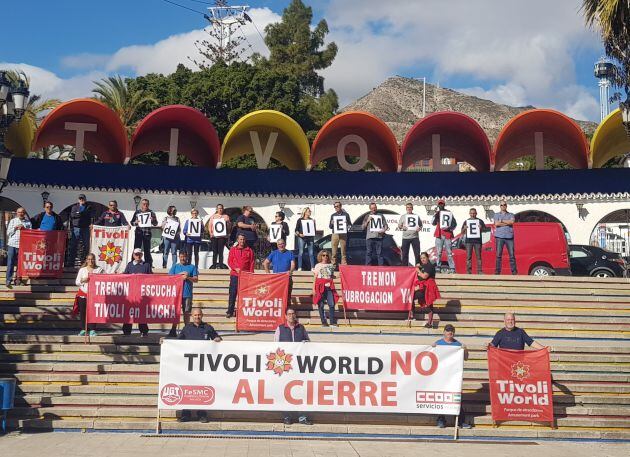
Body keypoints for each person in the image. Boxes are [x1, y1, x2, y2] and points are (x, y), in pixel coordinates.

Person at [176, 307, 222, 423]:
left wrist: (217, 339)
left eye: (199, 315)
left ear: (202, 315)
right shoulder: (187, 328)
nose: (197, 317)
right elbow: (177, 342)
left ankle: (202, 414)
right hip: (189, 366)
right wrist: (165, 342)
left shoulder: (208, 327)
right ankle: (186, 414)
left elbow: (218, 338)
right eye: (195, 315)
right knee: (187, 388)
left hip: (203, 366)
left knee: (202, 389)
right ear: (192, 316)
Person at [274, 307, 312, 426]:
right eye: (289, 314)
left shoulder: (301, 328)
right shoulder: (280, 329)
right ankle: (286, 416)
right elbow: (275, 347)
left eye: (293, 314)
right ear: (285, 316)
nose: (291, 316)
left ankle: (302, 417)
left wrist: (306, 344)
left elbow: (309, 343)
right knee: (285, 391)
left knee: (301, 391)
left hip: (299, 366)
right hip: (286, 367)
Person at [434, 324, 471, 429]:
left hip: (453, 377)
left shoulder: (458, 344)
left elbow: (466, 358)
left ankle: (460, 421)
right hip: (441, 376)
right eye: (448, 331)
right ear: (444, 332)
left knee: (456, 398)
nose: (450, 333)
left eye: (451, 332)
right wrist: (431, 348)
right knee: (441, 398)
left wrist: (465, 349)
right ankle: (441, 419)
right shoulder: (438, 343)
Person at [122, 248, 152, 337]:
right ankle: (127, 331)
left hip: (142, 294)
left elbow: (151, 278)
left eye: (139, 254)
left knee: (141, 313)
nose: (138, 256)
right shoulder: (130, 265)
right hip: (131, 293)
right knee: (129, 313)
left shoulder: (146, 265)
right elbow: (124, 276)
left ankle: (144, 331)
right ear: (133, 255)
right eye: (136, 254)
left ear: (142, 255)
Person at [168, 251, 199, 337]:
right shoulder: (175, 266)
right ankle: (173, 330)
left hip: (187, 294)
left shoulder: (192, 267)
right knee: (176, 312)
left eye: (184, 257)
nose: (183, 258)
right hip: (176, 294)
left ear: (187, 257)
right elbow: (169, 278)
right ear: (179, 257)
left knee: (186, 312)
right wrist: (180, 275)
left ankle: (187, 330)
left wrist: (188, 277)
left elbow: (196, 279)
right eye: (181, 257)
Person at [226, 234, 255, 318]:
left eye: (243, 239)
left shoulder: (249, 251)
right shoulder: (233, 249)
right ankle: (230, 311)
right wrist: (235, 268)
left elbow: (252, 263)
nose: (242, 241)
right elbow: (229, 261)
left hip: (245, 276)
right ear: (238, 240)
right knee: (232, 294)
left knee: (244, 295)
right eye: (240, 239)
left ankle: (243, 311)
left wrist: (251, 274)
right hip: (235, 275)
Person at [73, 253, 102, 337]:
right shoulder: (82, 270)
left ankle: (92, 329)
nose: (90, 261)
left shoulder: (99, 269)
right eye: (89, 259)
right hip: (83, 294)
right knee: (83, 312)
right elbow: (77, 282)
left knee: (93, 312)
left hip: (94, 295)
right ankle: (83, 329)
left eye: (92, 259)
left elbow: (105, 278)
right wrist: (83, 280)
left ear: (94, 260)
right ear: (86, 260)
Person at [6, 207, 32, 288]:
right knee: (10, 263)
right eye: (19, 212)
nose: (20, 213)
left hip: (22, 245)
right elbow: (8, 233)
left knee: (20, 265)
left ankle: (18, 280)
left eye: (22, 212)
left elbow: (30, 234)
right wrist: (15, 228)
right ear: (16, 213)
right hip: (12, 244)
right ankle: (8, 280)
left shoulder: (28, 223)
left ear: (24, 213)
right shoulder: (13, 221)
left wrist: (24, 229)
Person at [263, 238, 296, 303]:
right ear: (277, 245)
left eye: (282, 243)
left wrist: (291, 271)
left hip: (287, 278)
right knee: (276, 297)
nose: (281, 245)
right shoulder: (274, 253)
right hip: (276, 279)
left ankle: (286, 311)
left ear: (285, 244)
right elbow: (265, 263)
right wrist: (268, 274)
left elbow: (293, 264)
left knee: (287, 297)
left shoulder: (290, 253)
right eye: (279, 244)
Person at [413, 252, 440, 327]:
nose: (422, 259)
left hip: (429, 287)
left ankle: (428, 322)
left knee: (427, 302)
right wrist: (419, 267)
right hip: (424, 287)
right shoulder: (423, 266)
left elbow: (425, 276)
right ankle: (429, 322)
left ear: (427, 258)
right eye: (421, 258)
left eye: (424, 258)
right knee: (428, 304)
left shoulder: (429, 266)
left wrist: (418, 270)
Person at [312, 250, 338, 327]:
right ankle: (323, 322)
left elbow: (331, 276)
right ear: (320, 256)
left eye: (326, 255)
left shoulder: (331, 265)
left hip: (329, 286)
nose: (325, 257)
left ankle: (332, 322)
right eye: (323, 255)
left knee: (332, 304)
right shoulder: (317, 265)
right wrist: (313, 289)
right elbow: (315, 278)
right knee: (321, 305)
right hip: (320, 286)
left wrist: (339, 276)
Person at [130, 198, 158, 266]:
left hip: (147, 234)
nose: (145, 205)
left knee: (147, 250)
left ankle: (148, 264)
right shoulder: (137, 212)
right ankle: (133, 264)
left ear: (148, 205)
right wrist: (135, 223)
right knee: (136, 249)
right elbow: (132, 222)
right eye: (143, 204)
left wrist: (153, 220)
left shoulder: (151, 213)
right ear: (141, 205)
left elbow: (155, 224)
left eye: (146, 204)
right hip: (138, 233)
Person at [432, 199, 456, 273]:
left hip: (447, 235)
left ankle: (452, 268)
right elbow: (433, 223)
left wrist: (449, 228)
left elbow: (454, 224)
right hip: (439, 234)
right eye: (439, 204)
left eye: (442, 204)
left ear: (444, 204)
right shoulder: (437, 213)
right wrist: (436, 214)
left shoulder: (449, 213)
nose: (441, 205)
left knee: (449, 252)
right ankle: (438, 267)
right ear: (438, 205)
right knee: (438, 252)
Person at [68, 194, 93, 265]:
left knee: (86, 245)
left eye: (83, 198)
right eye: (80, 199)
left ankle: (84, 262)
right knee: (73, 245)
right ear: (78, 200)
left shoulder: (89, 207)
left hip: (85, 228)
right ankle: (71, 262)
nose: (81, 200)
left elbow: (89, 214)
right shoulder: (74, 207)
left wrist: (79, 214)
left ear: (85, 199)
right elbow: (72, 215)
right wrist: (81, 214)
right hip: (76, 228)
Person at [494, 200, 517, 275]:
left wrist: (502, 221)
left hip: (509, 237)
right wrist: (507, 223)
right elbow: (496, 223)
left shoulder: (511, 214)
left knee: (512, 255)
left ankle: (514, 272)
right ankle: (497, 272)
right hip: (499, 237)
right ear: (499, 206)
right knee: (498, 255)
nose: (503, 206)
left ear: (506, 206)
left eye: (504, 205)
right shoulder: (496, 214)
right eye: (501, 205)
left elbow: (512, 222)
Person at [461, 208, 487, 274]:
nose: (472, 214)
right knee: (468, 257)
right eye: (471, 213)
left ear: (476, 213)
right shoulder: (466, 221)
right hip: (469, 241)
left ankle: (480, 271)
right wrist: (464, 228)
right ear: (469, 214)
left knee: (478, 256)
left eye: (474, 213)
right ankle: (469, 271)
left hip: (477, 241)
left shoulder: (480, 221)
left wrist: (481, 228)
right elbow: (462, 232)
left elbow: (485, 230)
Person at [328, 202, 351, 268]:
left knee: (343, 251)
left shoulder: (346, 215)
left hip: (343, 234)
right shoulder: (333, 215)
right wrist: (332, 223)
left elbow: (350, 225)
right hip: (335, 234)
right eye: (335, 206)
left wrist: (347, 223)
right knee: (334, 251)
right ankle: (333, 266)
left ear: (341, 206)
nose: (336, 207)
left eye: (338, 206)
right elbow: (330, 226)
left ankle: (344, 266)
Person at [208, 204, 230, 269]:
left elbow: (229, 227)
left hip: (222, 237)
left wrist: (227, 223)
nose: (220, 209)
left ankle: (220, 265)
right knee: (215, 252)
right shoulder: (213, 216)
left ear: (223, 209)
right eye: (219, 208)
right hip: (214, 237)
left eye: (221, 208)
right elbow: (210, 226)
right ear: (216, 209)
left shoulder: (226, 216)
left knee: (221, 252)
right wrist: (211, 233)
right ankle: (214, 265)